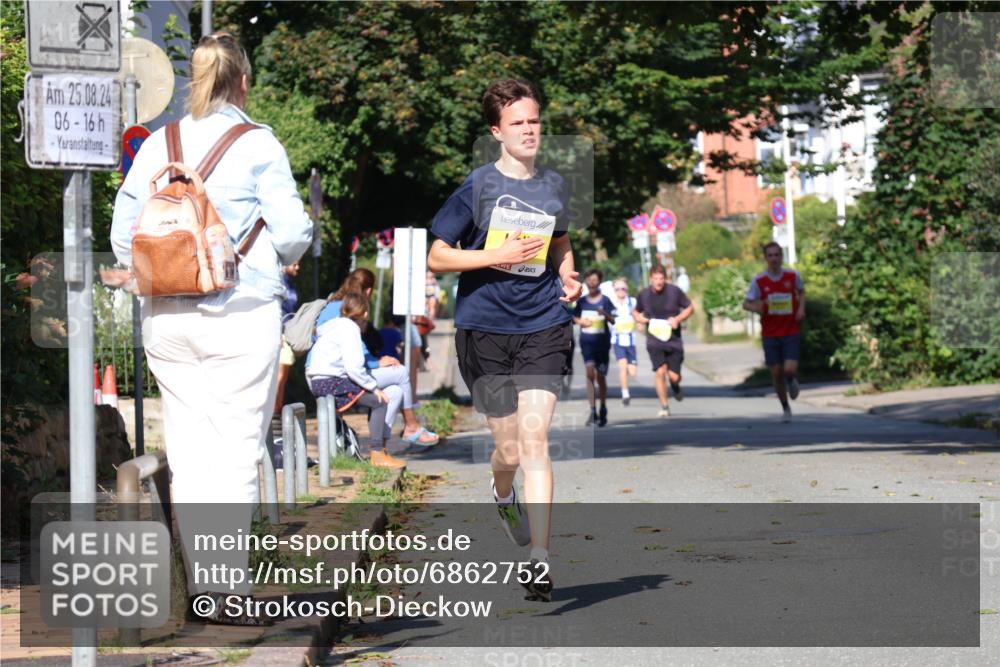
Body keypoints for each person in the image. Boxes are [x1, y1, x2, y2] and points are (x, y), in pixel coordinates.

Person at [109, 32, 312, 625]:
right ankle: (229, 592)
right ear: (242, 81)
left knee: (190, 452)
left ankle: (204, 589)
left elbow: (123, 236)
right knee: (235, 453)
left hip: (166, 318)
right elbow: (293, 233)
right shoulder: (257, 143)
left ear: (193, 80)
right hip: (238, 313)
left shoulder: (158, 144)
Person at [428, 78, 583, 602]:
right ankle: (501, 492)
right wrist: (495, 256)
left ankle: (539, 558)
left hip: (543, 324)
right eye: (518, 123)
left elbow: (561, 242)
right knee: (510, 449)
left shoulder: (555, 186)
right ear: (497, 131)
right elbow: (438, 255)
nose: (529, 130)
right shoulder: (477, 186)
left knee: (535, 440)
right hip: (485, 330)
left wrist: (568, 275)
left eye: (534, 120)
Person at [312, 270, 438, 445]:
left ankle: (379, 449)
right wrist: (377, 363)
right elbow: (355, 356)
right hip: (336, 375)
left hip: (327, 371)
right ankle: (411, 425)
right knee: (401, 372)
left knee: (395, 392)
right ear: (369, 291)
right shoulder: (347, 315)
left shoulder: (333, 306)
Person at [307, 293, 407, 468]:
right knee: (379, 402)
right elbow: (354, 368)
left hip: (319, 381)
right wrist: (374, 388)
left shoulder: (334, 325)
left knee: (393, 393)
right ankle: (377, 453)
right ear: (365, 314)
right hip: (331, 382)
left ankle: (381, 451)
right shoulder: (350, 328)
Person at [743, 242, 805, 422]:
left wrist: (801, 309)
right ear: (765, 258)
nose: (774, 259)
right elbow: (746, 303)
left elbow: (802, 292)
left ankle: (791, 380)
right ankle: (785, 408)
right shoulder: (759, 281)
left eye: (777, 255)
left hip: (790, 330)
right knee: (777, 373)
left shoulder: (792, 276)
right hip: (770, 333)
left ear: (781, 257)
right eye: (770, 255)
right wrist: (758, 307)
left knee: (789, 369)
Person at [633, 265, 694, 417]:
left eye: (661, 279)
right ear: (650, 279)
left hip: (673, 339)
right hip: (654, 339)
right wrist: (639, 318)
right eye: (655, 279)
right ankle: (664, 406)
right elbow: (635, 311)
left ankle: (675, 386)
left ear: (665, 279)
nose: (658, 282)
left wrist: (678, 319)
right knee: (660, 372)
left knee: (674, 376)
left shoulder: (674, 291)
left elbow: (690, 308)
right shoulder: (644, 294)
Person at [573, 269, 616, 427]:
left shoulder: (605, 300)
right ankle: (592, 410)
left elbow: (613, 320)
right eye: (589, 280)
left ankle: (603, 407)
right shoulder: (582, 302)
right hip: (587, 343)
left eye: (595, 280)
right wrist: (580, 322)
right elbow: (574, 317)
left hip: (602, 344)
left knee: (601, 377)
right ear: (586, 282)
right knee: (590, 373)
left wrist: (604, 313)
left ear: (599, 282)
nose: (592, 283)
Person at [274, 261, 300, 413]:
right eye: (294, 264)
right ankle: (273, 411)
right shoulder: (279, 281)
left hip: (287, 332)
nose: (298, 267)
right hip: (280, 332)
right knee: (280, 374)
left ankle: (277, 410)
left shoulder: (289, 282)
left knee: (283, 375)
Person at [609, 276, 638, 406]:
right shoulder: (610, 304)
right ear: (614, 290)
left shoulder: (633, 302)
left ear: (627, 289)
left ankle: (625, 376)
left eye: (623, 288)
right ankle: (625, 394)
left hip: (631, 341)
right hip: (617, 340)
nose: (620, 291)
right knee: (622, 366)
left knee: (632, 372)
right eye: (618, 289)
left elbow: (639, 316)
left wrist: (640, 323)